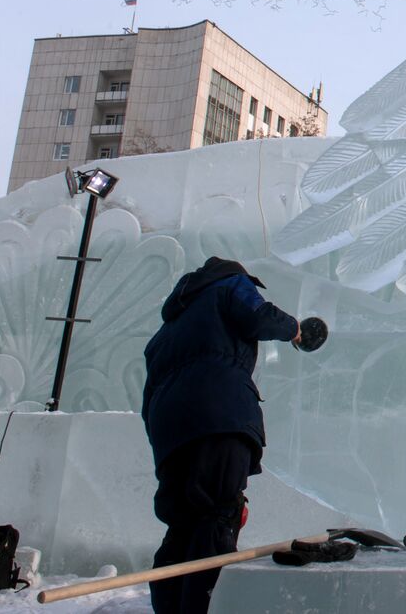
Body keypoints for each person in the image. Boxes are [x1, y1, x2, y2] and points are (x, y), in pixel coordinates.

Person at [141, 257, 307, 614]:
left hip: (170, 432)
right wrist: (295, 329)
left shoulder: (165, 334)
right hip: (218, 413)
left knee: (182, 526)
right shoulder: (229, 285)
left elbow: (148, 400)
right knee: (218, 516)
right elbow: (259, 316)